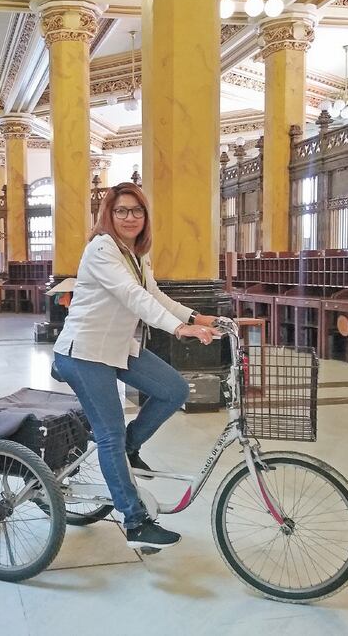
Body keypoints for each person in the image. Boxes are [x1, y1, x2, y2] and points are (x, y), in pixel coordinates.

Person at [53, 182, 222, 550]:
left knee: (173, 389)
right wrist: (179, 328)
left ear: (146, 217)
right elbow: (132, 296)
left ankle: (130, 447)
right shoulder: (102, 249)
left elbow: (152, 293)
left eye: (137, 211)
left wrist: (196, 315)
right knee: (109, 434)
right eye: (121, 211)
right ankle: (134, 521)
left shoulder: (135, 252)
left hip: (118, 347)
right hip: (84, 352)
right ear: (108, 216)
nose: (130, 218)